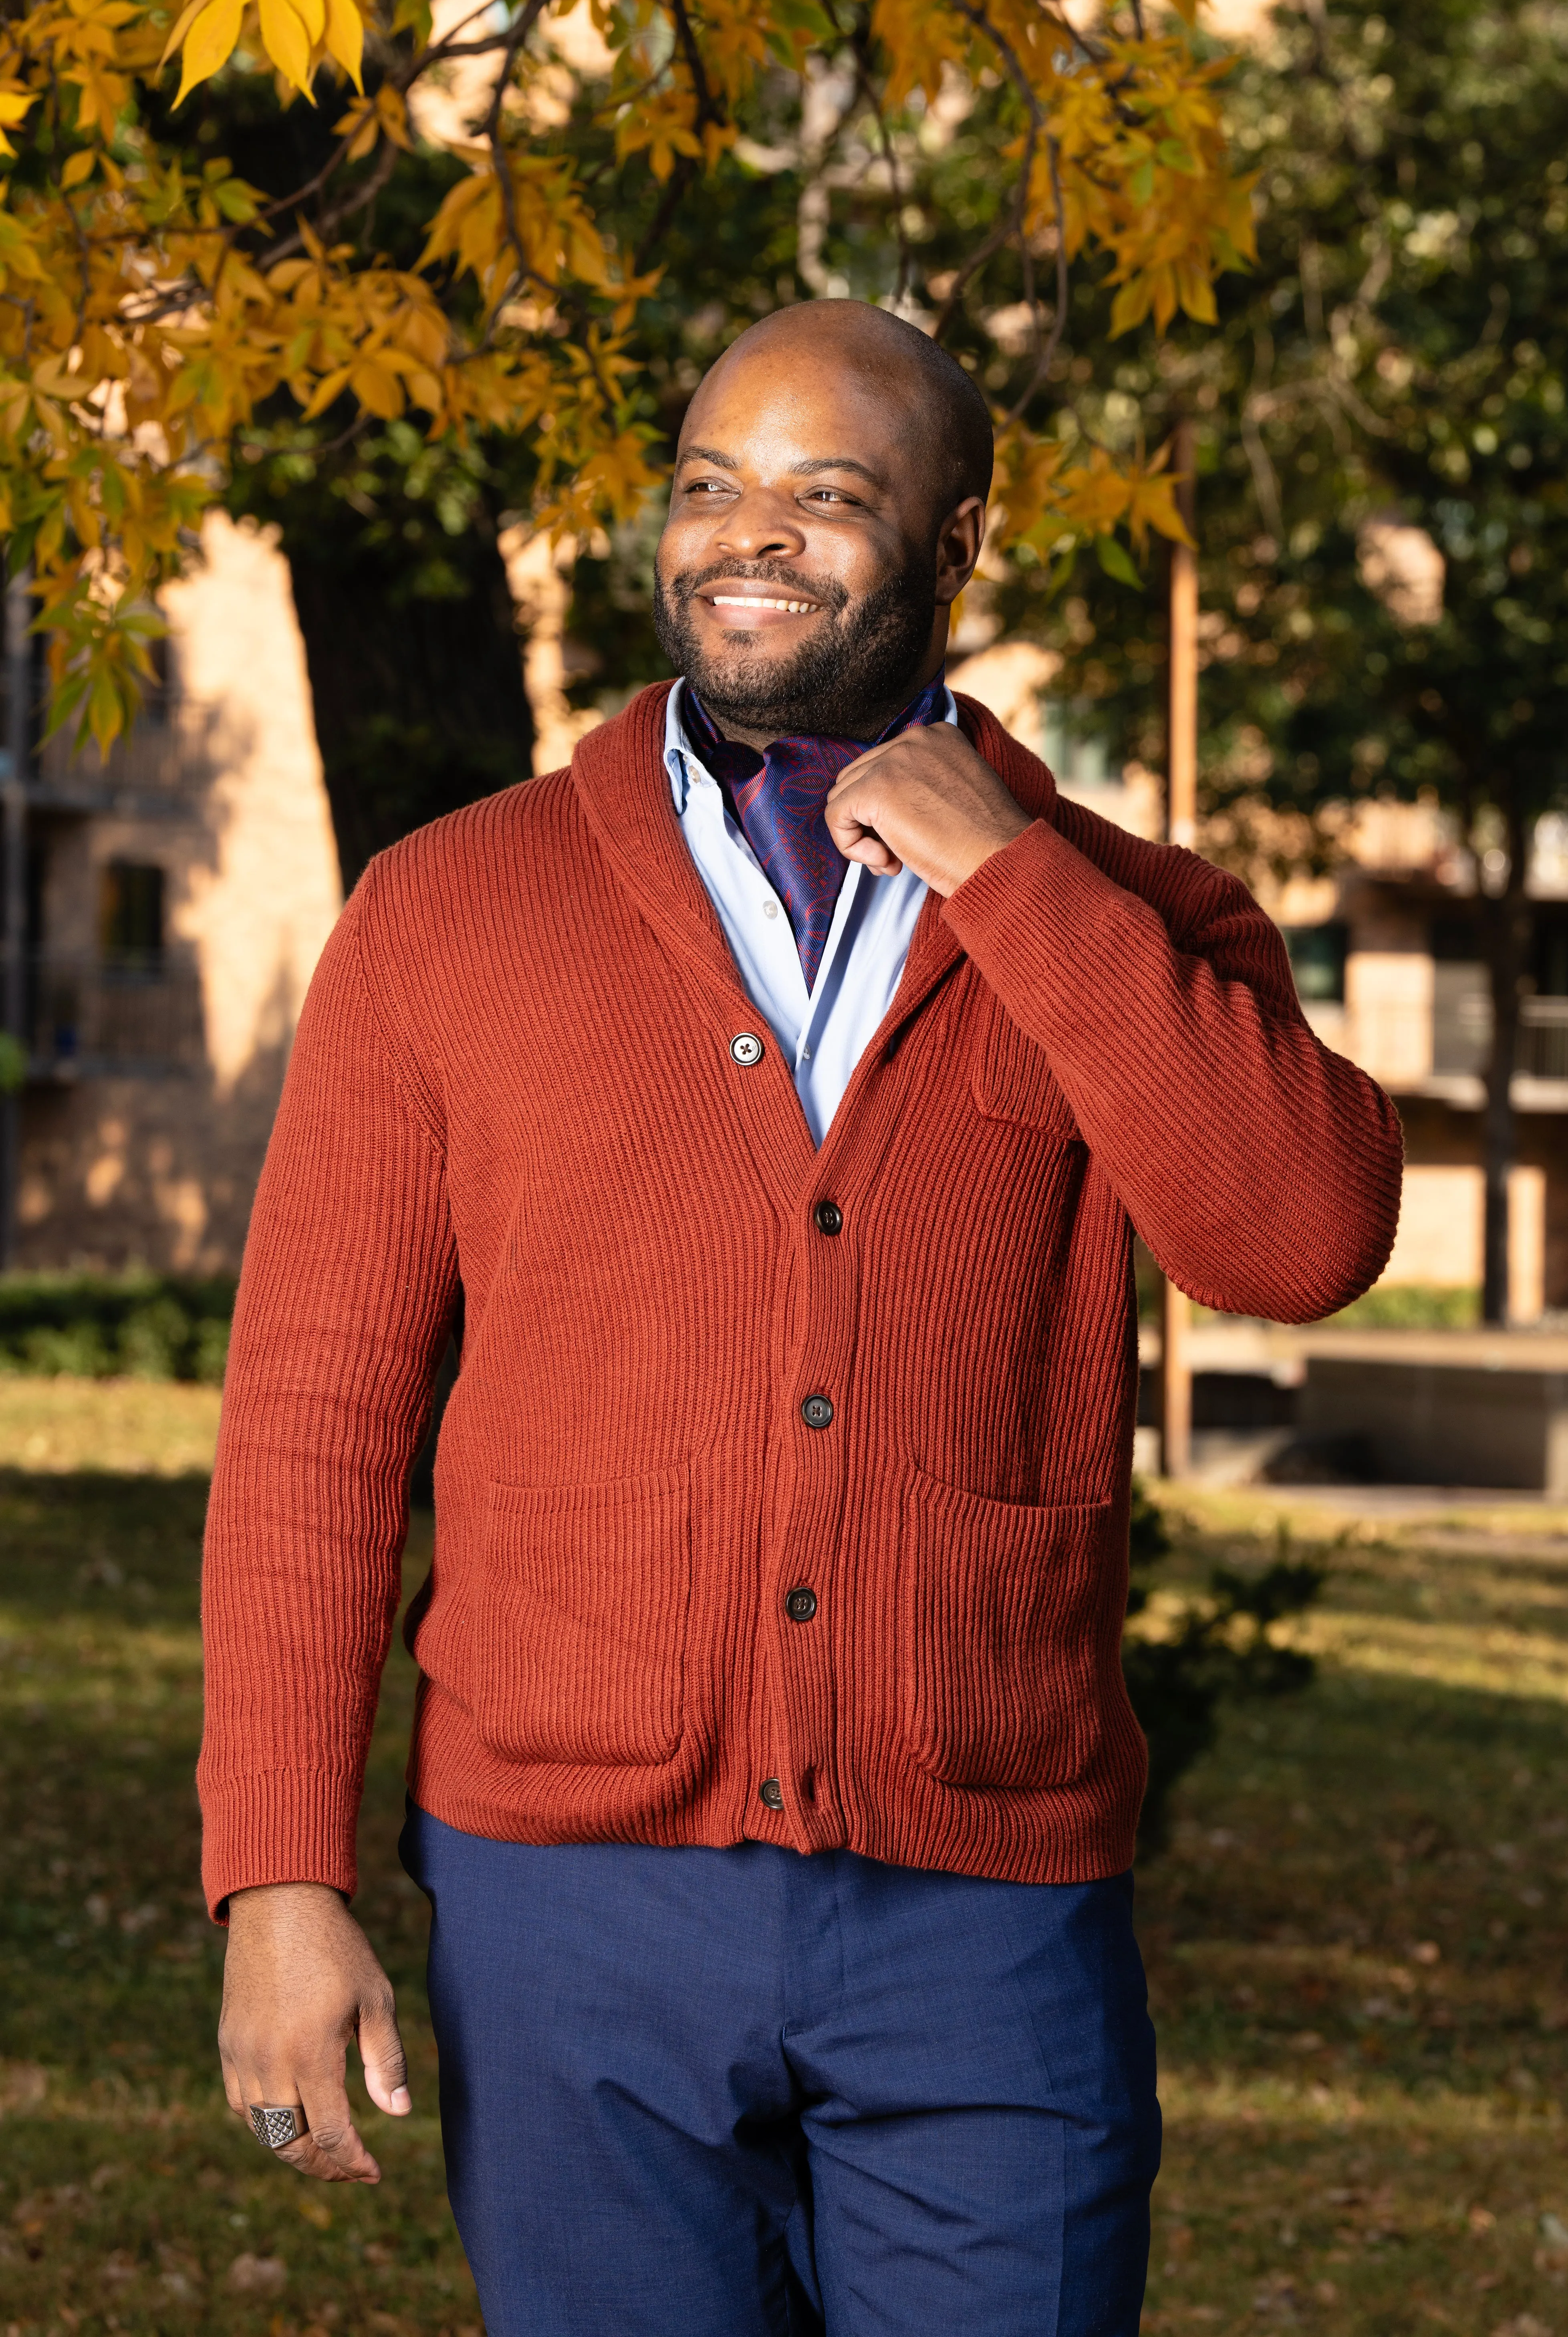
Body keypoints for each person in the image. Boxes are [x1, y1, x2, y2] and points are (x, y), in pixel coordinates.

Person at [201, 298, 1401, 2336]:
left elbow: (1296, 1240)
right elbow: (315, 1420)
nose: (746, 536)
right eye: (708, 486)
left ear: (954, 545)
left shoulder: (1117, 908)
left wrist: (1006, 880)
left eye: (826, 496)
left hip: (986, 1904)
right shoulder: (451, 911)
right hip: (564, 1899)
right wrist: (279, 1880)